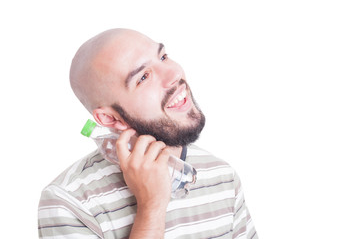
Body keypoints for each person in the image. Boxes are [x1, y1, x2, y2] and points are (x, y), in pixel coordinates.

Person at [38, 28, 258, 239]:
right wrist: (151, 207)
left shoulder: (222, 175)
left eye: (163, 57)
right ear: (110, 119)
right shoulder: (68, 202)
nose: (174, 74)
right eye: (143, 77)